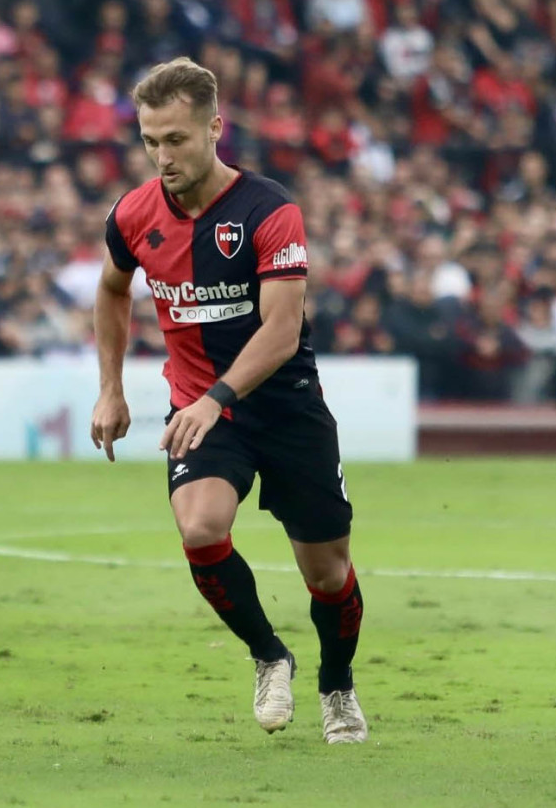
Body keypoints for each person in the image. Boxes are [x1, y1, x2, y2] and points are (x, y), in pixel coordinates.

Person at [90, 58, 368, 744]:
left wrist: (215, 397)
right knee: (201, 526)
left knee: (327, 571)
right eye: (151, 140)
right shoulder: (132, 214)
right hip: (202, 408)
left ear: (216, 127)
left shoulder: (270, 211)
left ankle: (337, 683)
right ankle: (270, 654)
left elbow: (281, 331)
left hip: (288, 408)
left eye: (177, 139)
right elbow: (111, 290)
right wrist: (111, 387)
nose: (162, 156)